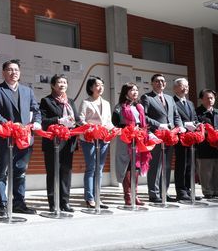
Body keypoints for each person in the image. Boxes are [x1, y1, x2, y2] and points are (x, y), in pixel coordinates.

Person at [0, 60, 41, 216]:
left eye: (16, 70)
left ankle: (19, 203)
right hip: (6, 137)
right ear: (4, 72)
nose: (13, 73)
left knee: (20, 171)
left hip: (25, 138)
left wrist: (37, 122)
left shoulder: (27, 91)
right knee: (2, 171)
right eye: (10, 70)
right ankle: (2, 204)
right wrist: (10, 124)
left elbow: (35, 110)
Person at [39, 74, 82, 212]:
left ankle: (65, 202)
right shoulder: (46, 101)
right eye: (59, 82)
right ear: (53, 85)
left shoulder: (70, 101)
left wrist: (80, 125)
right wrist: (59, 120)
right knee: (53, 172)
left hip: (69, 141)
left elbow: (75, 119)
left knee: (66, 172)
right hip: (54, 142)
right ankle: (53, 203)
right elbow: (43, 121)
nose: (62, 84)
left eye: (64, 82)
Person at [140, 74, 183, 203]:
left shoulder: (170, 98)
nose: (160, 83)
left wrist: (180, 126)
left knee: (167, 165)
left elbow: (176, 115)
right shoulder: (147, 97)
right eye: (157, 81)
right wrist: (159, 125)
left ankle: (164, 192)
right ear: (152, 83)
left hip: (169, 136)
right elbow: (144, 117)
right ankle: (154, 194)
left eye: (162, 81)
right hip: (156, 136)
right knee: (155, 165)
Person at [112, 82, 150, 206]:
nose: (135, 92)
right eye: (132, 90)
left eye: (136, 90)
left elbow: (143, 124)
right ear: (125, 92)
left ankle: (135, 195)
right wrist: (128, 130)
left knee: (136, 166)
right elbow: (115, 123)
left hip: (138, 139)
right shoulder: (119, 107)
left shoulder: (139, 106)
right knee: (126, 166)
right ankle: (128, 196)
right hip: (125, 140)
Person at [78, 76, 113, 209]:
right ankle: (89, 198)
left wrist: (114, 129)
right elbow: (81, 120)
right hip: (89, 139)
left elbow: (108, 121)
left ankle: (98, 196)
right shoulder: (86, 102)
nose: (100, 87)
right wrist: (92, 128)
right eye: (97, 85)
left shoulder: (107, 103)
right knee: (91, 167)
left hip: (104, 139)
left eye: (102, 85)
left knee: (100, 168)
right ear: (91, 87)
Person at [172, 78, 201, 201]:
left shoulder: (190, 103)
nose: (186, 88)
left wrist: (196, 124)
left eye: (187, 86)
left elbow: (194, 117)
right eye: (183, 86)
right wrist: (184, 125)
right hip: (180, 137)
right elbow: (173, 118)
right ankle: (181, 191)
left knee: (190, 164)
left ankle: (189, 189)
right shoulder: (172, 101)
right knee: (181, 164)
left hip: (191, 138)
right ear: (175, 88)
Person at [195, 89, 218, 199]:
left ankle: (216, 190)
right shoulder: (197, 112)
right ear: (201, 99)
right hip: (204, 146)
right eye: (207, 98)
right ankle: (208, 191)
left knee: (216, 169)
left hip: (217, 146)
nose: (210, 100)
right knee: (206, 170)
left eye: (212, 98)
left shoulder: (217, 112)